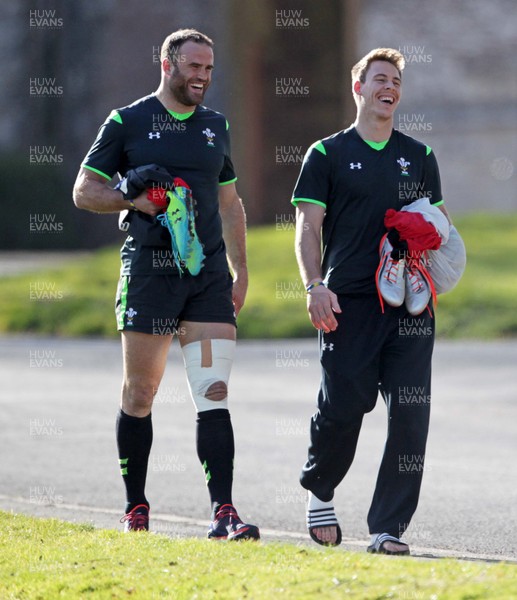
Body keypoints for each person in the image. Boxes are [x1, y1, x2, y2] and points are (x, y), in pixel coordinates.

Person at [73, 28, 259, 540]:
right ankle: (136, 507)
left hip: (207, 276)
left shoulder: (215, 126)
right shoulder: (126, 121)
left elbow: (229, 202)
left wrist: (241, 270)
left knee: (213, 391)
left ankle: (224, 512)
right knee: (141, 391)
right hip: (150, 273)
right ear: (167, 65)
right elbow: (84, 191)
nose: (202, 77)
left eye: (209, 70)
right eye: (193, 67)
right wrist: (132, 199)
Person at [292, 48, 451, 554]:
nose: (391, 87)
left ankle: (388, 527)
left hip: (409, 304)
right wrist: (315, 286)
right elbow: (307, 229)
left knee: (410, 412)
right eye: (380, 78)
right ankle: (321, 485)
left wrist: (425, 235)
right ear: (358, 88)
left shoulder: (421, 157)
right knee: (346, 403)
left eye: (397, 81)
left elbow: (439, 228)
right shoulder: (326, 154)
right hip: (349, 300)